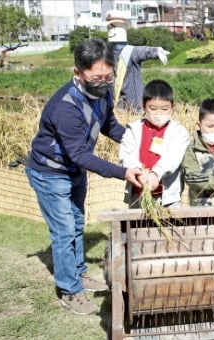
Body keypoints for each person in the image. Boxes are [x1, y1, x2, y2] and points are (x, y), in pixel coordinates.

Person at [25, 38, 143, 315]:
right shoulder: (66, 106)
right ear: (77, 73)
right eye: (95, 77)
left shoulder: (105, 90)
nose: (103, 82)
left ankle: (77, 272)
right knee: (64, 229)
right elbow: (79, 154)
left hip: (73, 170)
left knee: (77, 221)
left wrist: (136, 141)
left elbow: (109, 125)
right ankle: (69, 289)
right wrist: (123, 172)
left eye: (108, 76)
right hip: (50, 172)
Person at [119, 79, 190, 207]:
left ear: (172, 107)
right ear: (143, 106)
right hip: (138, 194)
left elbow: (173, 157)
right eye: (153, 108)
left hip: (168, 199)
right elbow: (127, 154)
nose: (158, 114)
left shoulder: (179, 132)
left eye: (164, 109)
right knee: (136, 227)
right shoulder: (133, 129)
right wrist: (138, 172)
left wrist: (156, 173)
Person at [107, 11, 170, 113]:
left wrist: (156, 51)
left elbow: (142, 51)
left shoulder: (130, 52)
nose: (112, 30)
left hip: (134, 106)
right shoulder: (108, 53)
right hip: (118, 105)